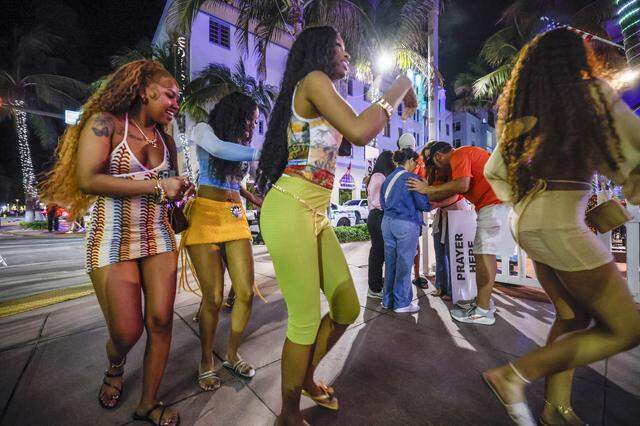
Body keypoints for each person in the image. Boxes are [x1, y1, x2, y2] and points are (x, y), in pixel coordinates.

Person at [256, 26, 417, 426]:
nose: (346, 54)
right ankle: (288, 414)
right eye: (340, 48)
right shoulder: (313, 80)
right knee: (305, 320)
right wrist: (402, 84)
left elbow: (357, 124)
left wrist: (401, 93)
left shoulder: (320, 89)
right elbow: (362, 131)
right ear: (320, 51)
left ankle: (306, 376)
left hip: (314, 213)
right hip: (290, 208)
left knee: (346, 305)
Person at [480, 28, 640, 426]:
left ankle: (556, 408)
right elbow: (631, 155)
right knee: (627, 328)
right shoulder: (591, 95)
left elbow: (493, 173)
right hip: (559, 223)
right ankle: (513, 376)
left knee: (571, 317)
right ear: (576, 59)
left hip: (529, 223)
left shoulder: (524, 119)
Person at [41, 60, 194, 426]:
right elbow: (88, 180)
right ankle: (116, 364)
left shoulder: (167, 141)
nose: (176, 103)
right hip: (111, 237)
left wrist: (178, 194)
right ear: (145, 90)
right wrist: (158, 186)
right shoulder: (106, 124)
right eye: (170, 95)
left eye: (178, 99)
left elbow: (166, 193)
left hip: (158, 236)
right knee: (127, 331)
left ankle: (148, 403)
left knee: (160, 321)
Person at [181, 92, 262, 390]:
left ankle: (231, 353)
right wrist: (258, 153)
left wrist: (251, 196)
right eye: (249, 120)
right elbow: (217, 149)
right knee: (213, 297)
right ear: (234, 115)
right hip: (205, 216)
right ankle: (206, 359)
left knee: (245, 291)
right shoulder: (205, 130)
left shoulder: (240, 146)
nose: (252, 127)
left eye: (255, 123)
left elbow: (233, 177)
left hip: (235, 216)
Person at [409, 141, 507, 325]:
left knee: (483, 256)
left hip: (493, 204)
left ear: (438, 157)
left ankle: (482, 311)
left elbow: (462, 185)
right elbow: (446, 191)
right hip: (494, 204)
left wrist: (427, 189)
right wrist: (430, 192)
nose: (436, 171)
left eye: (433, 165)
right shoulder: (463, 156)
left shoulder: (458, 155)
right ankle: (484, 303)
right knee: (485, 256)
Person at [380, 148, 431, 313]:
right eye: (416, 162)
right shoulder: (411, 178)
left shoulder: (387, 179)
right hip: (405, 223)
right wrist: (427, 188)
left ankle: (387, 300)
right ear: (410, 160)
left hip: (387, 222)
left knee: (390, 263)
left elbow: (382, 202)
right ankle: (402, 303)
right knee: (404, 263)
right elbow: (424, 204)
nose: (417, 165)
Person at [397, 134, 429, 288]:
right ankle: (411, 276)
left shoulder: (415, 161)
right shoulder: (412, 161)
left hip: (406, 210)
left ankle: (412, 276)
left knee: (410, 245)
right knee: (412, 244)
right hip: (408, 210)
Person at [366, 150, 395, 299]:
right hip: (378, 216)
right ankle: (374, 288)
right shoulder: (379, 176)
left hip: (376, 216)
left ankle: (376, 284)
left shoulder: (378, 176)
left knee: (378, 253)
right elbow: (378, 202)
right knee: (378, 253)